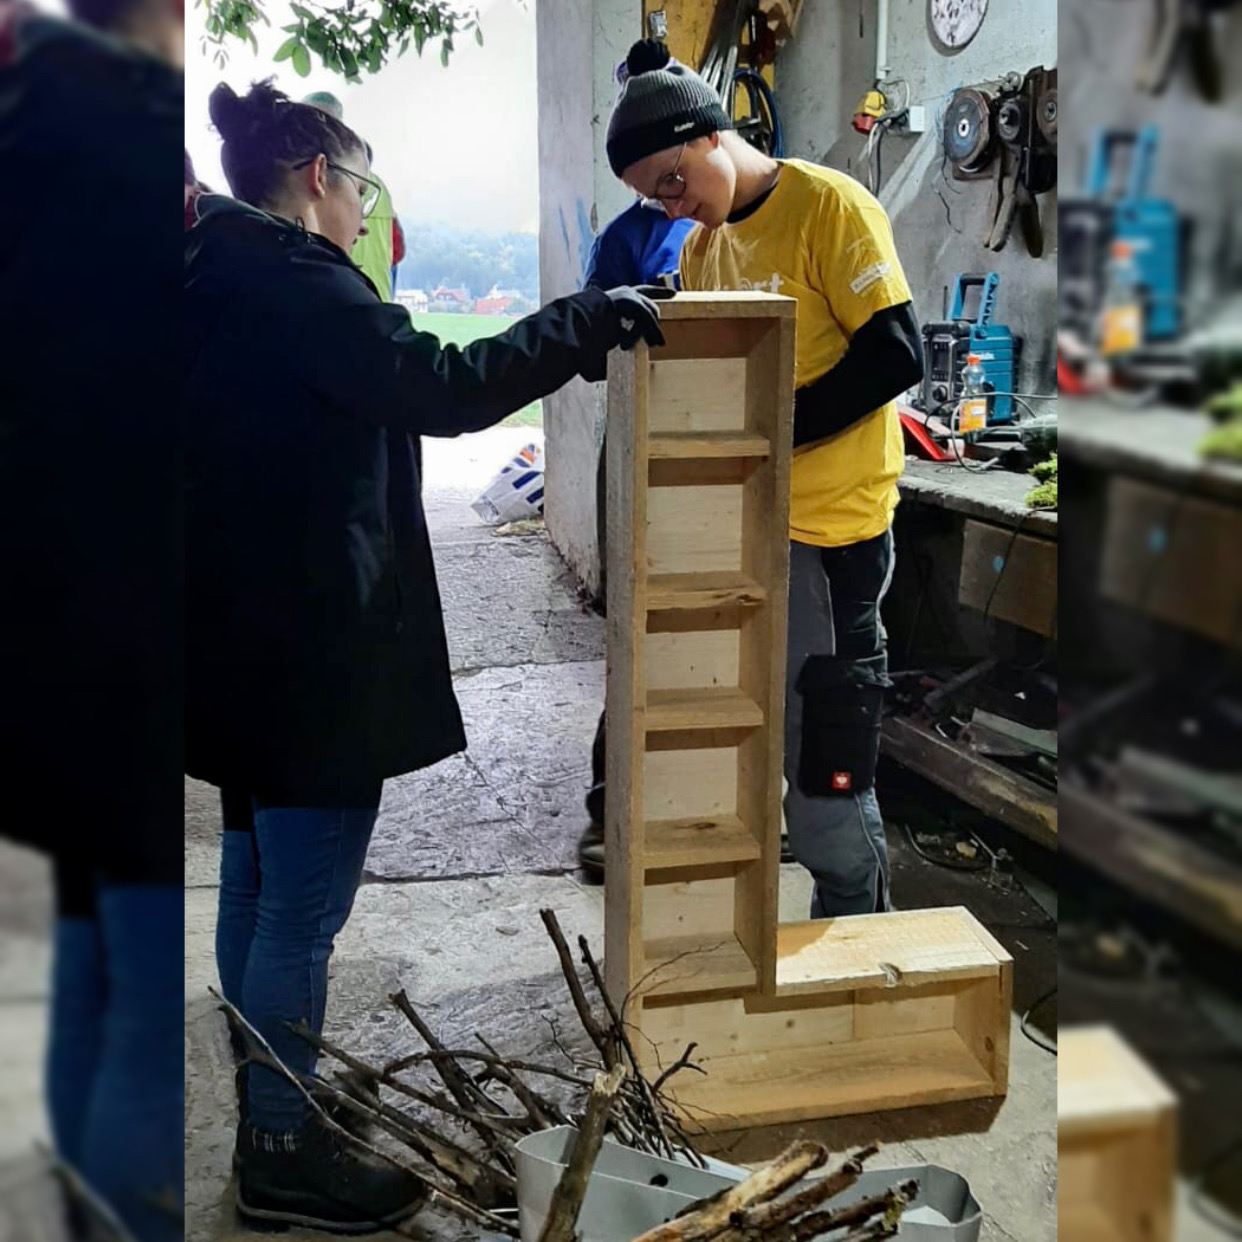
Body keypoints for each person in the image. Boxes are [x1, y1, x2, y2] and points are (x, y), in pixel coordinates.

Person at [186, 79, 668, 1234]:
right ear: (320, 178)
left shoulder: (207, 269)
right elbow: (443, 387)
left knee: (255, 878)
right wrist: (591, 318)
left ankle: (274, 1098)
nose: (366, 212)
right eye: (363, 188)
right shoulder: (296, 280)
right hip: (309, 642)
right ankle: (282, 1153)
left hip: (237, 634)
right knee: (301, 908)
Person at [603, 39, 924, 917]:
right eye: (653, 198)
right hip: (751, 533)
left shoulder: (829, 206)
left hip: (831, 536)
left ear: (710, 133)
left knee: (825, 767)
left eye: (673, 181)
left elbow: (896, 355)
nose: (673, 206)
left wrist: (769, 438)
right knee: (741, 734)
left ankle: (858, 936)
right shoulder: (704, 250)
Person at [0, 0, 183, 1237]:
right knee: (145, 996)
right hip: (123, 628)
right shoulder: (125, 132)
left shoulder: (30, 126)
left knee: (88, 952)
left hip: (44, 625)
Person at [576, 196, 694, 874]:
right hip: (644, 441)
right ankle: (611, 809)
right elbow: (593, 356)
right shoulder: (628, 236)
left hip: (732, 446)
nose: (672, 193)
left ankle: (740, 801)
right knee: (639, 632)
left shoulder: (743, 223)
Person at [303, 90, 404, 300]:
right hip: (374, 298)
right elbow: (397, 251)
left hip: (339, 296)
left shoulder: (310, 177)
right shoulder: (379, 187)